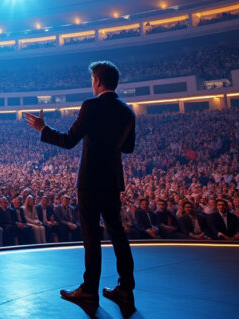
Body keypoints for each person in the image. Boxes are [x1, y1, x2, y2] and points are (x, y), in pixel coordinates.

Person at [26, 61, 136, 314]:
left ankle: (89, 291)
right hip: (112, 180)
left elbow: (68, 141)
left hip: (90, 181)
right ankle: (126, 290)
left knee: (91, 237)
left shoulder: (90, 106)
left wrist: (43, 129)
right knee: (117, 233)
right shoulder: (127, 111)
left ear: (97, 80)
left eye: (92, 80)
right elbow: (128, 148)